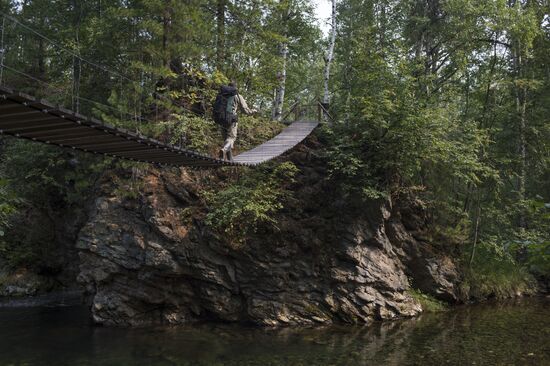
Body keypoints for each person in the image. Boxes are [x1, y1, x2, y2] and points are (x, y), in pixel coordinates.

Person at [212, 82, 256, 161]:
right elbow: (245, 110)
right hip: (231, 119)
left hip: (220, 119)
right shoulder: (237, 95)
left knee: (226, 139)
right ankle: (224, 150)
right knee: (232, 138)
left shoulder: (222, 94)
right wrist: (253, 111)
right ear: (235, 88)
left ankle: (229, 159)